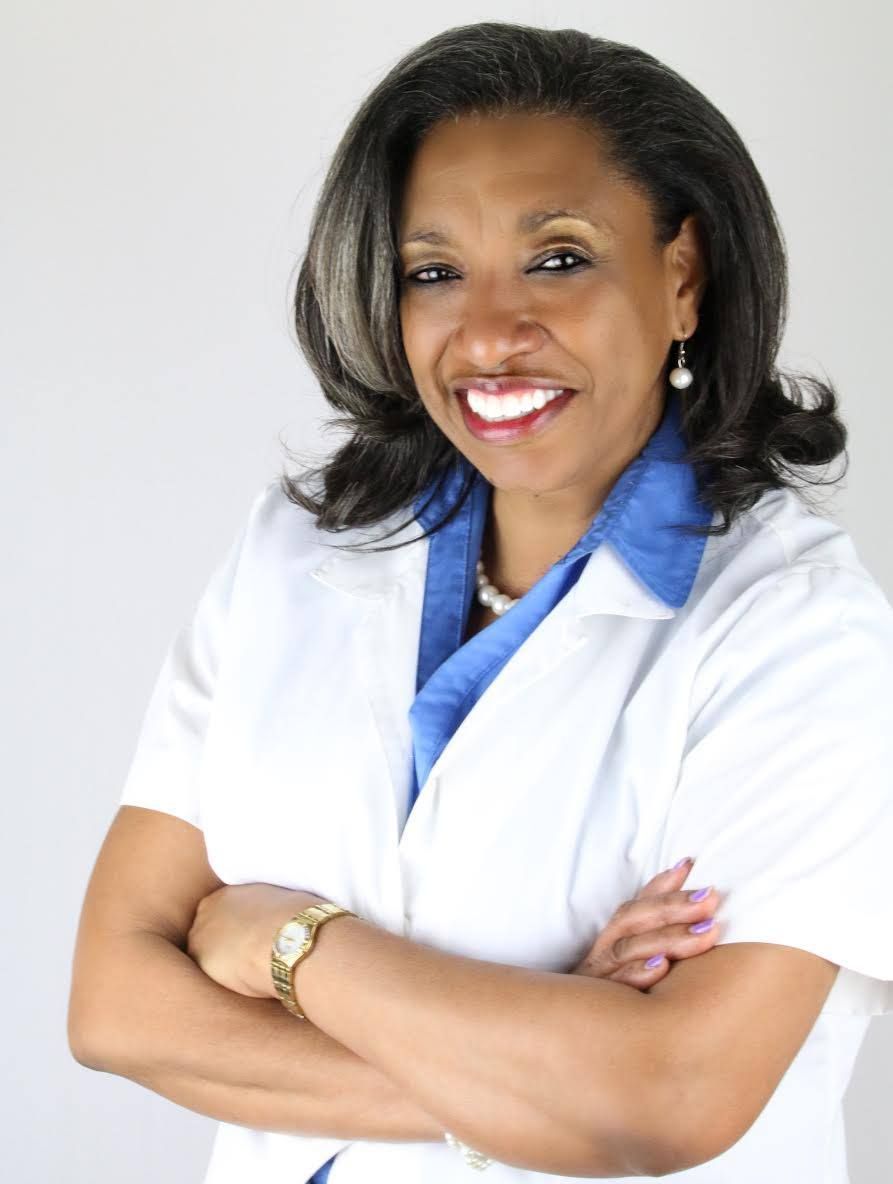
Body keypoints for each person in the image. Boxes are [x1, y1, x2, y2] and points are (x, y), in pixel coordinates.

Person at [68, 20, 893, 1184]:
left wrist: (288, 944)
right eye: (433, 271)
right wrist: (537, 1066)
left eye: (557, 257)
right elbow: (113, 999)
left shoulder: (796, 629)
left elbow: (671, 1093)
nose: (489, 333)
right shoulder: (290, 558)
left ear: (682, 275)